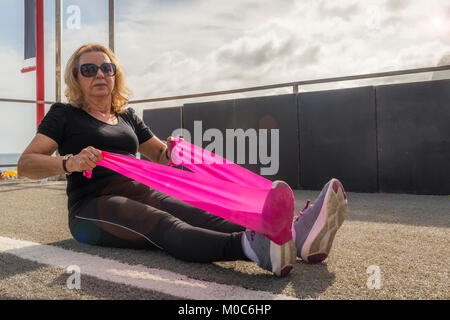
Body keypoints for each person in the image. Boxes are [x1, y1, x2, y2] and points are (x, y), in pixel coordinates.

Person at [18, 43, 347, 277]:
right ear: (76, 78)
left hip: (140, 190)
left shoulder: (127, 117)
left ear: (115, 75)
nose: (99, 74)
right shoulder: (64, 115)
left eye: (107, 67)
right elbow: (26, 164)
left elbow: (159, 155)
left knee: (210, 216)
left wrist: (175, 151)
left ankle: (297, 236)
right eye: (88, 70)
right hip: (92, 207)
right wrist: (69, 163)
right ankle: (253, 248)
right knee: (166, 226)